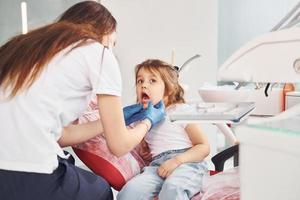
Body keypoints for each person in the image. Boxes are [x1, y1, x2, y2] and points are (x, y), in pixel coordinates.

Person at [0, 1, 165, 200]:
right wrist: (149, 121)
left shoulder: (24, 49)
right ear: (104, 33)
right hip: (36, 172)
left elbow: (60, 136)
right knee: (101, 191)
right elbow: (119, 145)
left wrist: (112, 120)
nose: (111, 50)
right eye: (112, 43)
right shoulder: (99, 54)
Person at [117, 59, 210, 200]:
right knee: (128, 194)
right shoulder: (141, 119)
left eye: (152, 81)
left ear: (168, 89)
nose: (144, 86)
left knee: (172, 190)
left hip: (187, 162)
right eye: (140, 81)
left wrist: (177, 161)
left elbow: (203, 147)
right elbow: (140, 144)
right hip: (157, 166)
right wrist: (144, 149)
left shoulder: (180, 110)